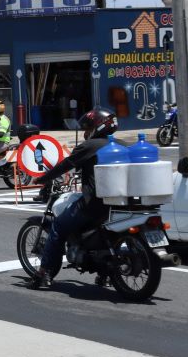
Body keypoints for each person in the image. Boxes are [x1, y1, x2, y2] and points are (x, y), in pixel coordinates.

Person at [28, 107, 120, 289]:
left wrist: (43, 178)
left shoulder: (89, 146)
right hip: (119, 204)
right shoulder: (122, 145)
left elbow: (65, 165)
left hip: (95, 204)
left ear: (97, 127)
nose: (86, 133)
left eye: (88, 128)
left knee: (58, 227)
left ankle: (45, 273)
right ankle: (105, 274)